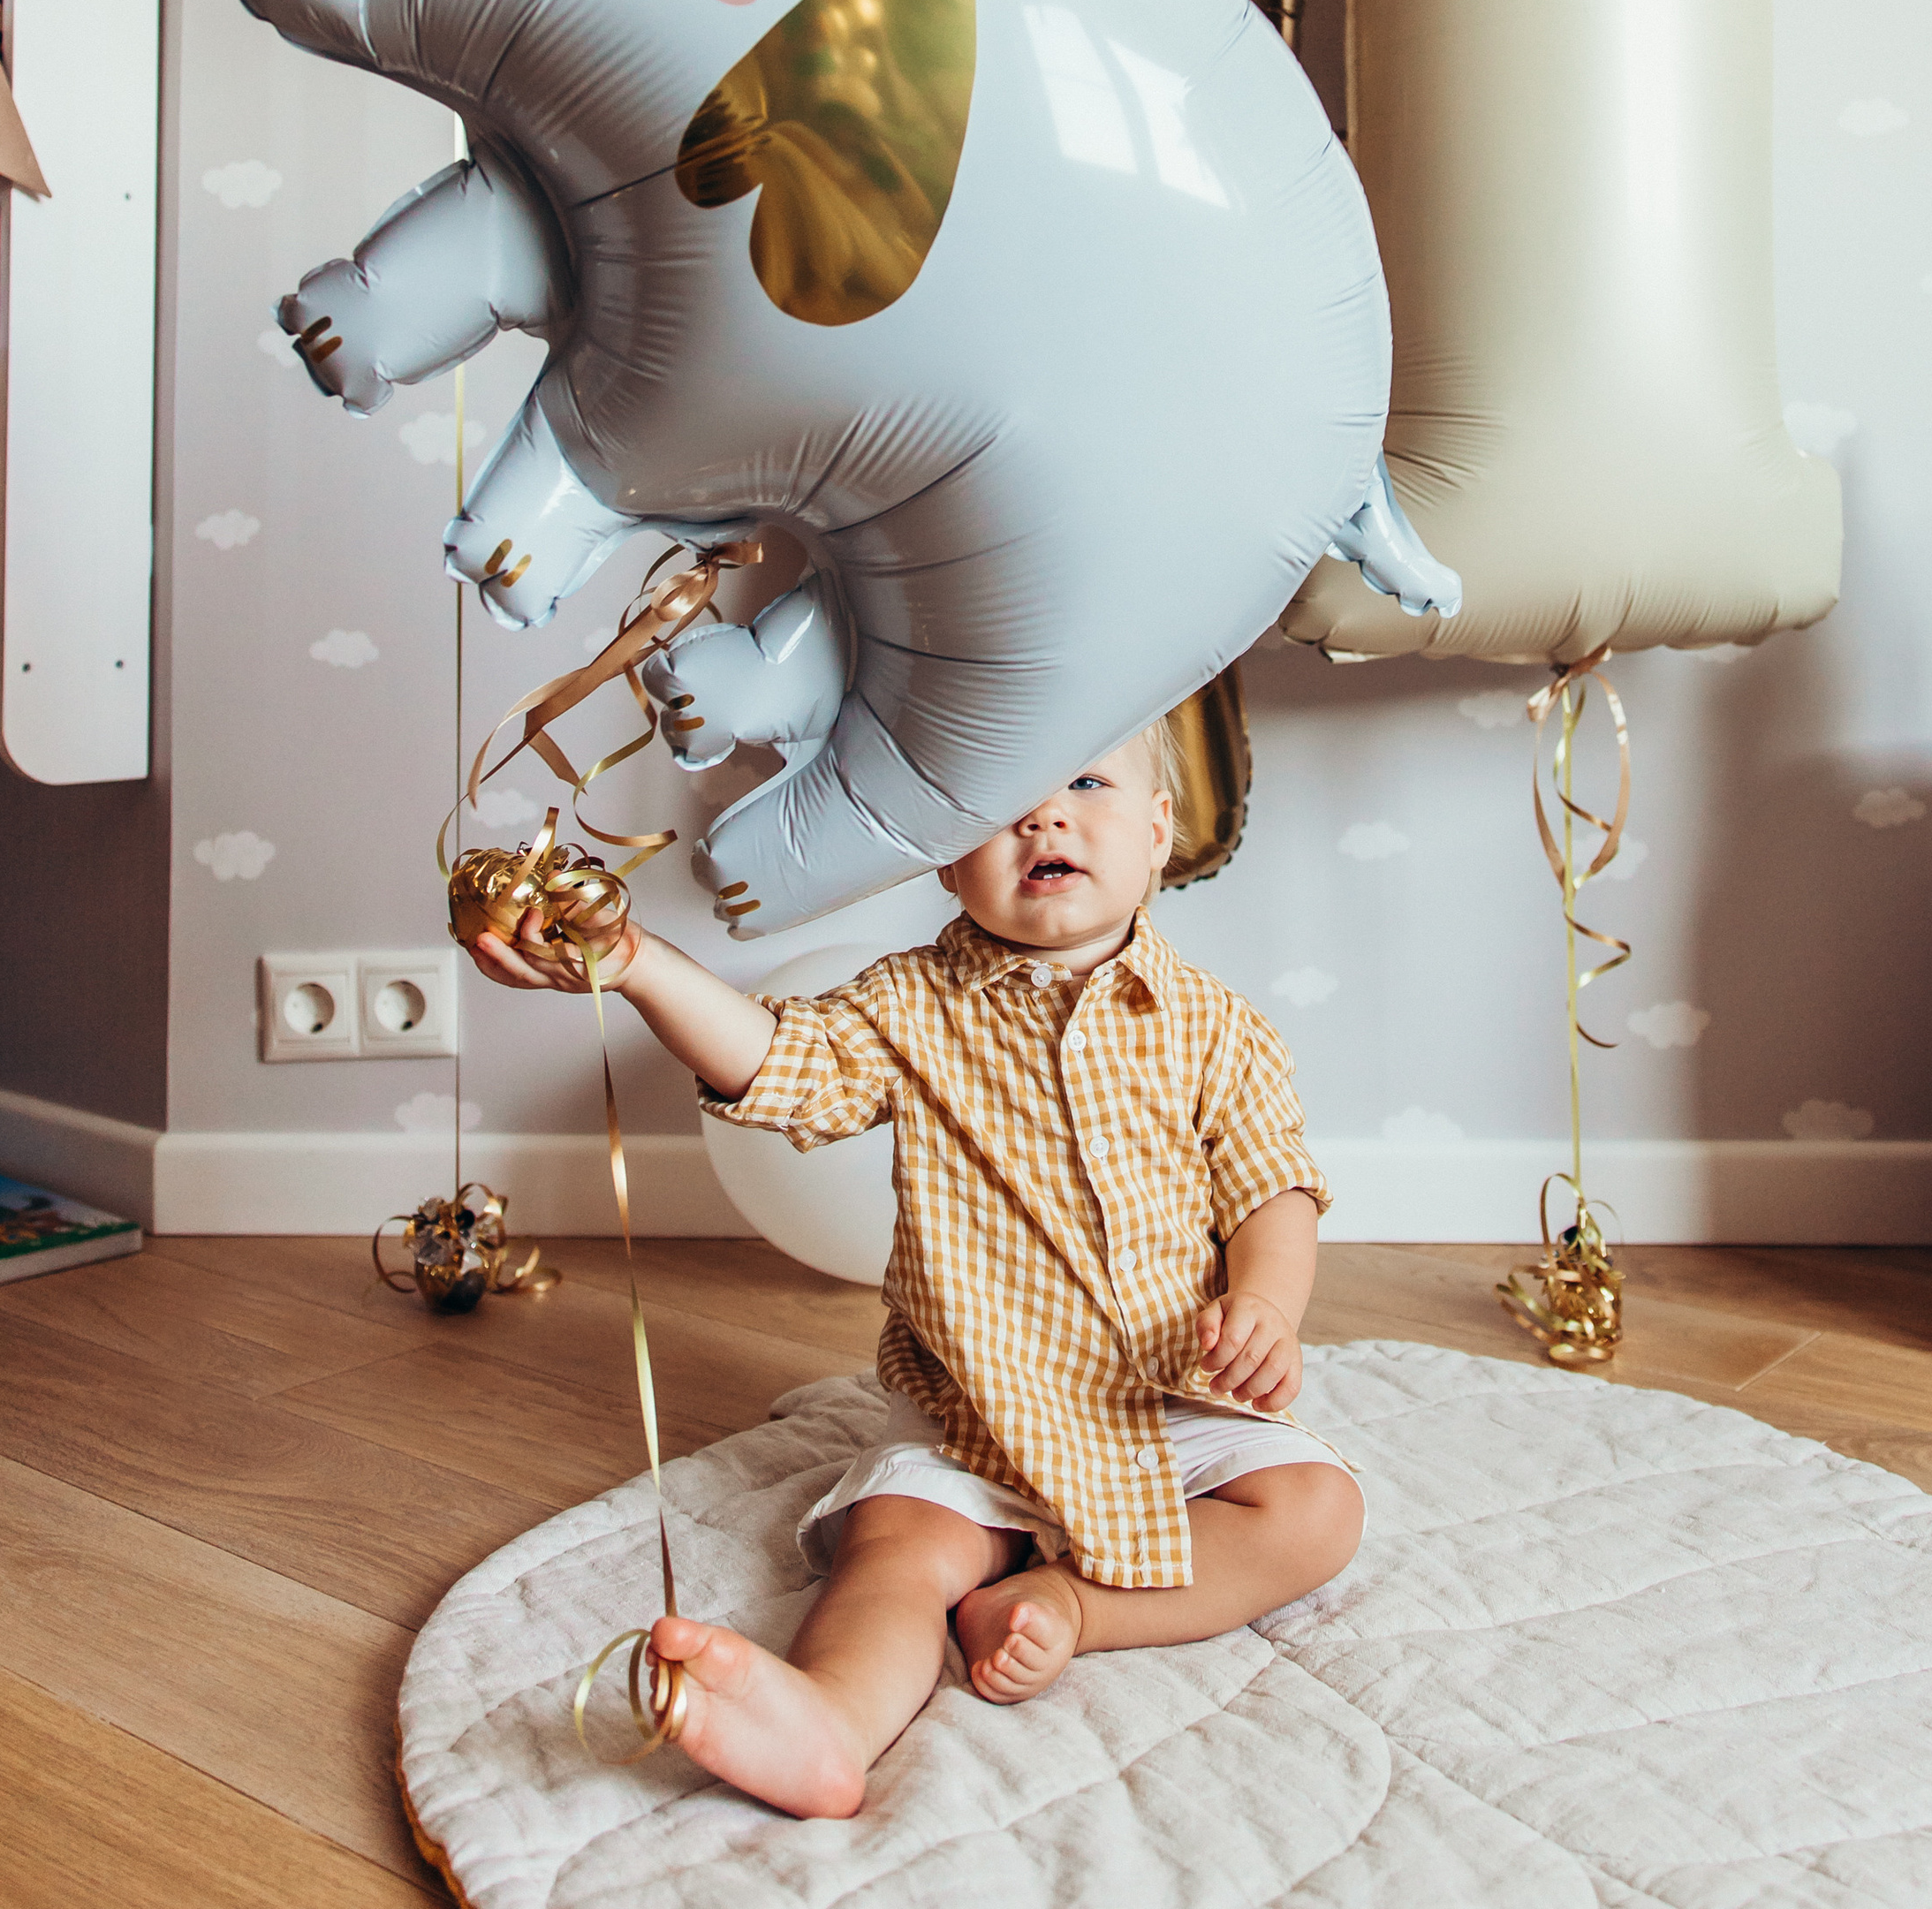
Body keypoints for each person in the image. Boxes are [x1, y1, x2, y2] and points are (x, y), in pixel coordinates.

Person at [467, 723, 1362, 1816]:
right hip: (970, 1413)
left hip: (1163, 1396)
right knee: (895, 1552)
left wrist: (1265, 1301)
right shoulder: (906, 1007)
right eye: (998, 798)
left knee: (1317, 1509)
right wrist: (639, 963)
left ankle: (1076, 1607)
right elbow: (773, 1061)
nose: (1043, 815)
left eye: (1086, 781)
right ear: (943, 854)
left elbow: (1272, 1187)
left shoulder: (1220, 1030)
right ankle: (830, 1722)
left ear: (1160, 829)